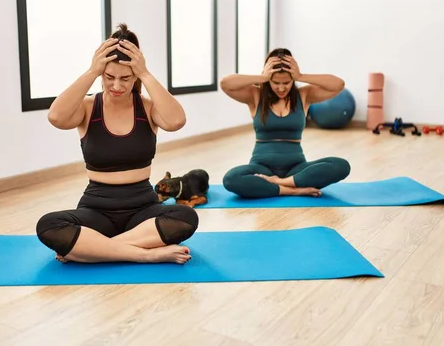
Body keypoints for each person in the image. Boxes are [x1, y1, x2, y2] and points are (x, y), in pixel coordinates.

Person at [36, 23, 198, 265]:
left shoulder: (148, 107)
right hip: (96, 209)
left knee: (186, 217)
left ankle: (95, 249)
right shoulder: (89, 107)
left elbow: (176, 121)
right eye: (109, 77)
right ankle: (144, 253)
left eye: (126, 78)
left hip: (143, 208)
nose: (117, 86)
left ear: (135, 76)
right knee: (48, 225)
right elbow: (56, 117)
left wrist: (145, 73)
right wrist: (92, 71)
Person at [220, 48, 351, 198]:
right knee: (231, 179)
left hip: (296, 169)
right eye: (275, 82)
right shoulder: (255, 95)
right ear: (268, 78)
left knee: (341, 166)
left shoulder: (304, 96)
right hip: (261, 168)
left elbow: (338, 85)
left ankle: (279, 183)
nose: (281, 88)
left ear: (293, 80)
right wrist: (262, 77)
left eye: (287, 83)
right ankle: (293, 189)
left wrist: (301, 76)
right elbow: (225, 84)